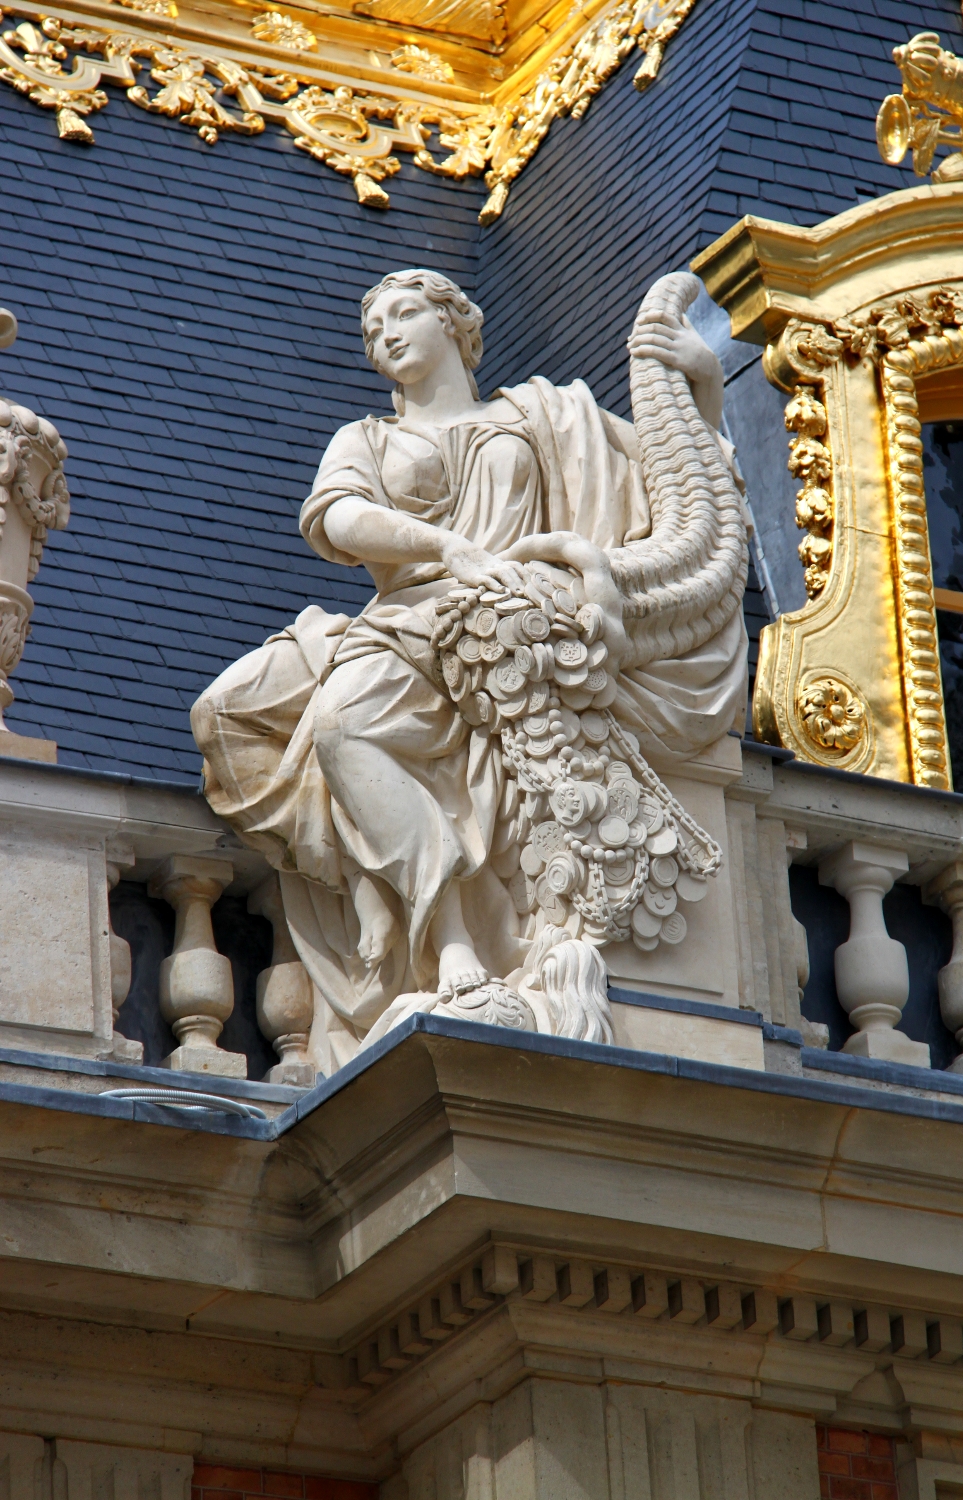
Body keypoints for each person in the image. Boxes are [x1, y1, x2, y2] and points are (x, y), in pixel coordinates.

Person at [192, 269, 747, 1073]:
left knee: (357, 724)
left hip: (512, 630)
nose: (385, 333)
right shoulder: (366, 440)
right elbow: (341, 517)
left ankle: (452, 925)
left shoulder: (547, 417)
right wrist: (447, 549)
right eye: (372, 325)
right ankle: (441, 936)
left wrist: (699, 381)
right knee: (332, 724)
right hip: (409, 622)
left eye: (403, 312)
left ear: (457, 323)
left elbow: (679, 494)